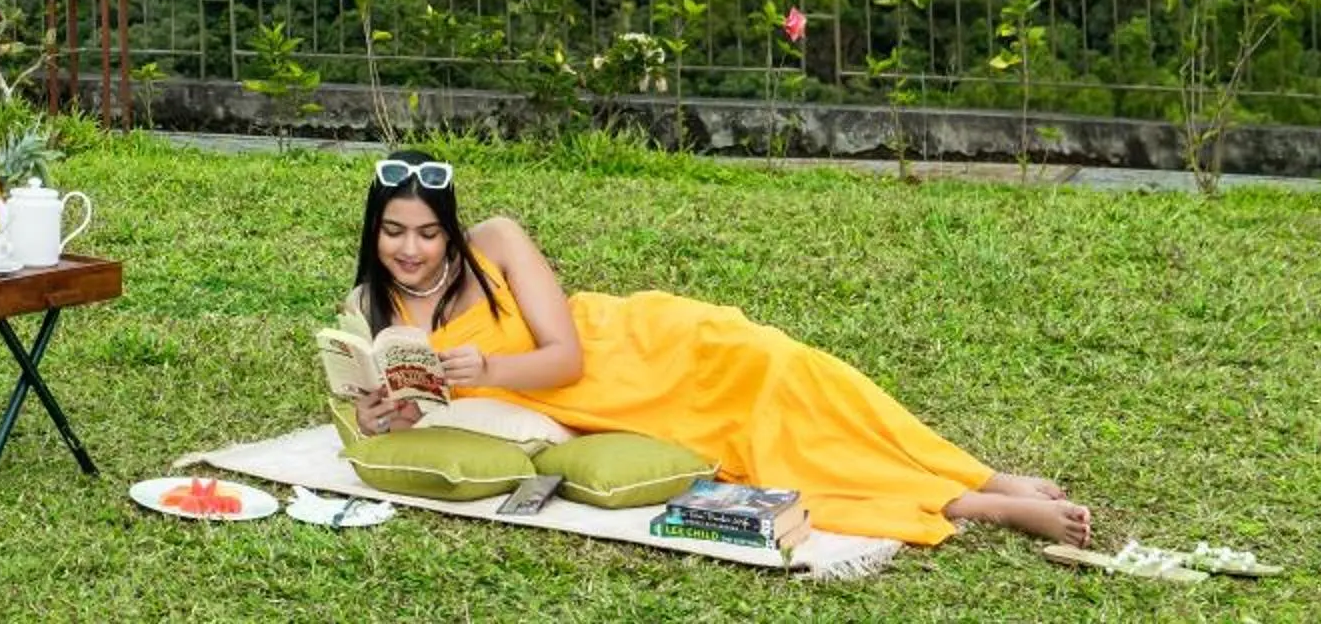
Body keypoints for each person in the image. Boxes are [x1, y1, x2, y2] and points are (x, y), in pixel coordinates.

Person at [340, 152, 1093, 548]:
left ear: (449, 228)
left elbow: (564, 354)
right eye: (394, 231)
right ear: (374, 232)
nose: (411, 248)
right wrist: (379, 416)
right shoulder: (372, 309)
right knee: (766, 447)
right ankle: (979, 506)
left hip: (634, 347)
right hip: (597, 410)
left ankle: (985, 472)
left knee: (794, 369)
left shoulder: (496, 242)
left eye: (427, 231)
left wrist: (490, 369)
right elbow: (409, 417)